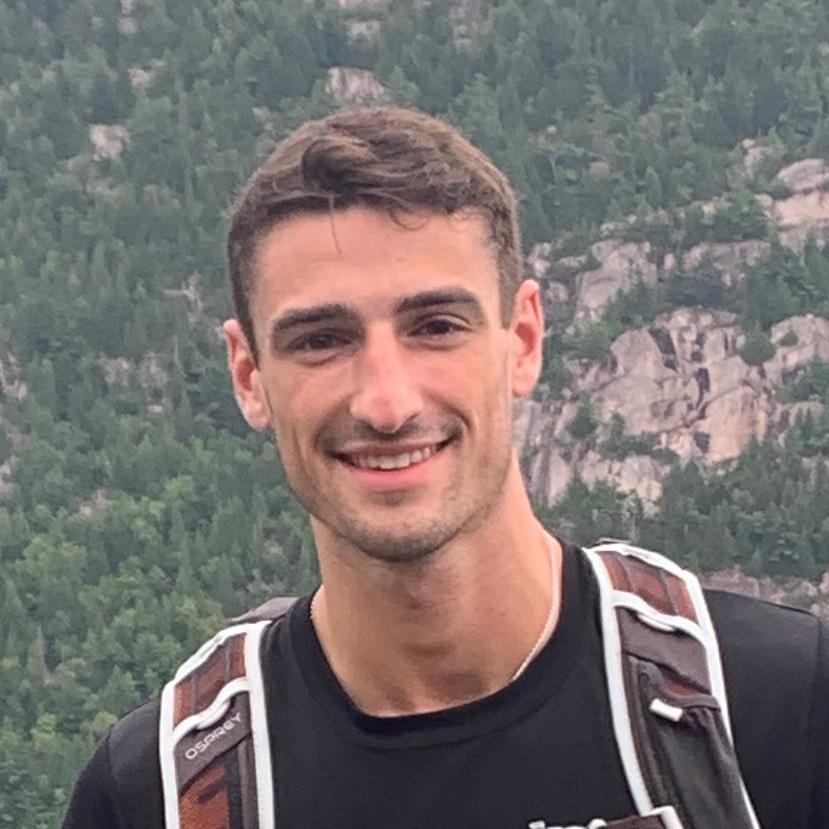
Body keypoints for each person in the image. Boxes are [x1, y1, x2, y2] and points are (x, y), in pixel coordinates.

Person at [62, 106, 827, 829]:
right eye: (321, 340)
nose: (387, 402)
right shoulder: (154, 795)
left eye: (435, 326)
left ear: (522, 338)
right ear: (248, 375)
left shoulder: (781, 711)